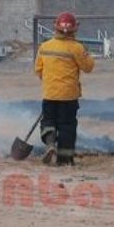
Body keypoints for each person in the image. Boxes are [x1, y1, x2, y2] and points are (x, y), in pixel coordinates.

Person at [34, 12, 95, 166]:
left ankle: (49, 144)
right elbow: (88, 67)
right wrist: (86, 53)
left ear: (56, 28)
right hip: (68, 96)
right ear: (74, 29)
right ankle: (64, 159)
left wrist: (50, 82)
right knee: (67, 126)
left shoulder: (45, 46)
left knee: (48, 121)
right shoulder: (76, 48)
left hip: (49, 94)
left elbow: (38, 70)